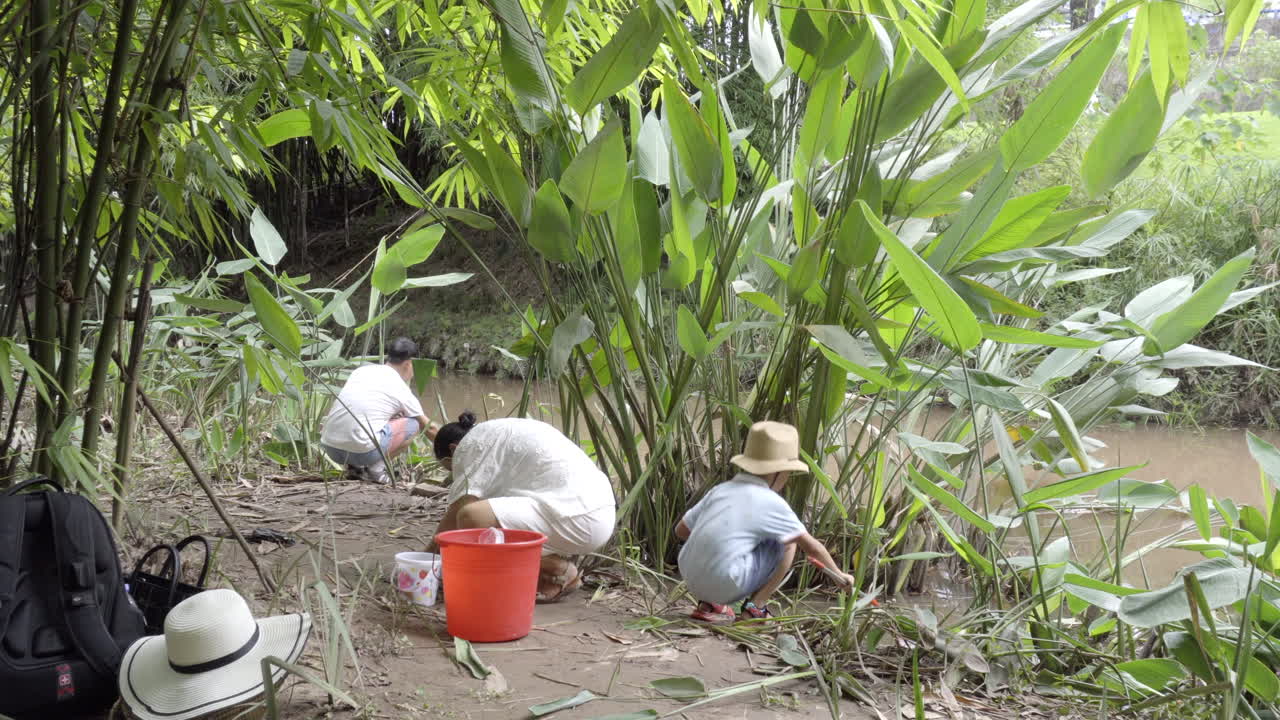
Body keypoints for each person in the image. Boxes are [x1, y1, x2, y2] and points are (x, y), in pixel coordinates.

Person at [675, 421, 855, 621]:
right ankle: (755, 609)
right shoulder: (772, 502)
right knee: (789, 542)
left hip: (690, 578)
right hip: (725, 584)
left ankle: (710, 605)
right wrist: (840, 576)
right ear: (778, 472)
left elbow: (681, 530)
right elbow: (812, 549)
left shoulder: (721, 490)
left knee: (735, 547)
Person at [427, 413, 616, 602]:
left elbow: (457, 513)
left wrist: (425, 562)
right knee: (488, 524)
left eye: (451, 469)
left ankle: (557, 569)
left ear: (453, 450)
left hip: (577, 517)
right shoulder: (497, 431)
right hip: (596, 512)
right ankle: (550, 578)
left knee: (471, 517)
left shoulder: (471, 445)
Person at [319, 337, 431, 485]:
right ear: (409, 364)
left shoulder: (361, 371)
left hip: (330, 447)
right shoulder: (400, 387)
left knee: (371, 420)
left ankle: (355, 469)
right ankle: (377, 470)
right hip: (362, 452)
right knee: (413, 425)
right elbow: (429, 427)